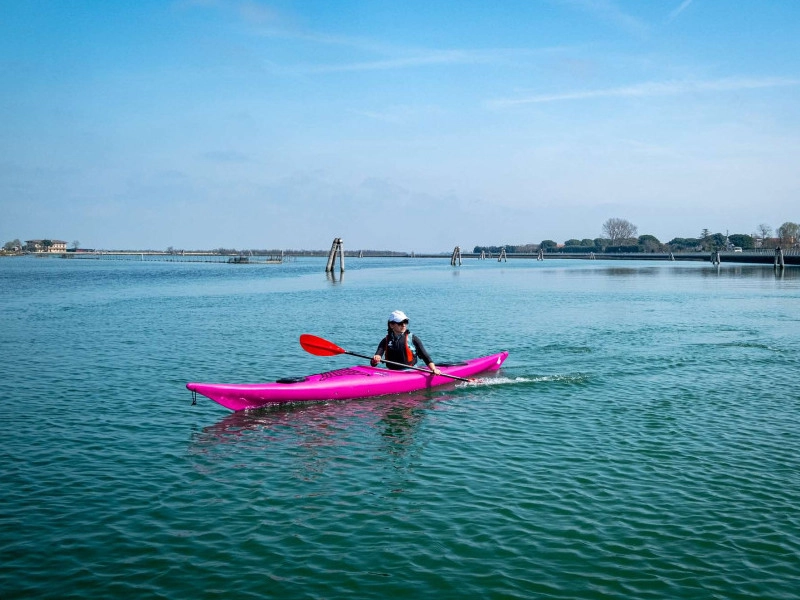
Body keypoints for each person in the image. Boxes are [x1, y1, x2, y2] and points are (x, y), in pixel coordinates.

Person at [371, 310, 441, 375]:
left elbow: (425, 356)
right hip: (391, 372)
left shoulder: (413, 339)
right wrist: (375, 359)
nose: (404, 325)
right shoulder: (386, 340)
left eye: (405, 322)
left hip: (409, 371)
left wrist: (434, 369)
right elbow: (373, 364)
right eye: (400, 323)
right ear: (391, 325)